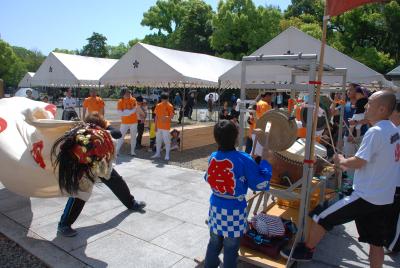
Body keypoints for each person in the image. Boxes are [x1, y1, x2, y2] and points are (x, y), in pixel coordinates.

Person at [281, 91, 400, 268]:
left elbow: (359, 162)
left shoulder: (375, 132)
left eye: (370, 104)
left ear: (382, 109)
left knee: (320, 215)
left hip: (366, 195)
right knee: (376, 243)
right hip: (384, 197)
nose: (366, 106)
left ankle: (306, 250)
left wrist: (342, 162)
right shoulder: (394, 130)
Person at [56, 113, 146, 237]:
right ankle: (64, 224)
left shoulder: (103, 127)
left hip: (102, 163)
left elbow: (117, 134)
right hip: (85, 165)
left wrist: (103, 131)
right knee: (80, 195)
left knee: (117, 182)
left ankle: (131, 203)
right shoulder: (80, 131)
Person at [204, 120, 272, 268]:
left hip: (216, 207)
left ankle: (209, 265)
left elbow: (207, 177)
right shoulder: (243, 159)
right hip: (234, 210)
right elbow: (259, 183)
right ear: (236, 137)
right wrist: (264, 164)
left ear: (216, 138)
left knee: (214, 242)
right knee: (230, 247)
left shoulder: (213, 156)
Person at [384, 96, 400, 252]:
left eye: (392, 112)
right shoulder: (394, 130)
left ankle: (393, 245)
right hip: (393, 180)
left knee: (396, 217)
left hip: (397, 181)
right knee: (391, 214)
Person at [151, 93, 174, 161]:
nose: (165, 101)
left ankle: (167, 155)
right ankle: (157, 153)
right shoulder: (158, 105)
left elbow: (172, 116)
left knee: (166, 141)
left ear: (168, 99)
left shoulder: (170, 106)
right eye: (164, 100)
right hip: (159, 126)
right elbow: (156, 116)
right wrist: (155, 126)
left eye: (166, 100)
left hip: (166, 127)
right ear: (161, 99)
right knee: (158, 140)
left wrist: (167, 117)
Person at [116, 89, 138, 156]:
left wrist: (125, 112)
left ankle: (132, 151)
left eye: (129, 92)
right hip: (124, 122)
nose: (128, 94)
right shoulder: (120, 101)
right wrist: (129, 112)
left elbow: (134, 110)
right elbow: (120, 113)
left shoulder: (133, 100)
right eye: (126, 93)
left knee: (133, 137)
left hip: (134, 122)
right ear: (123, 94)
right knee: (121, 137)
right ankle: (116, 151)